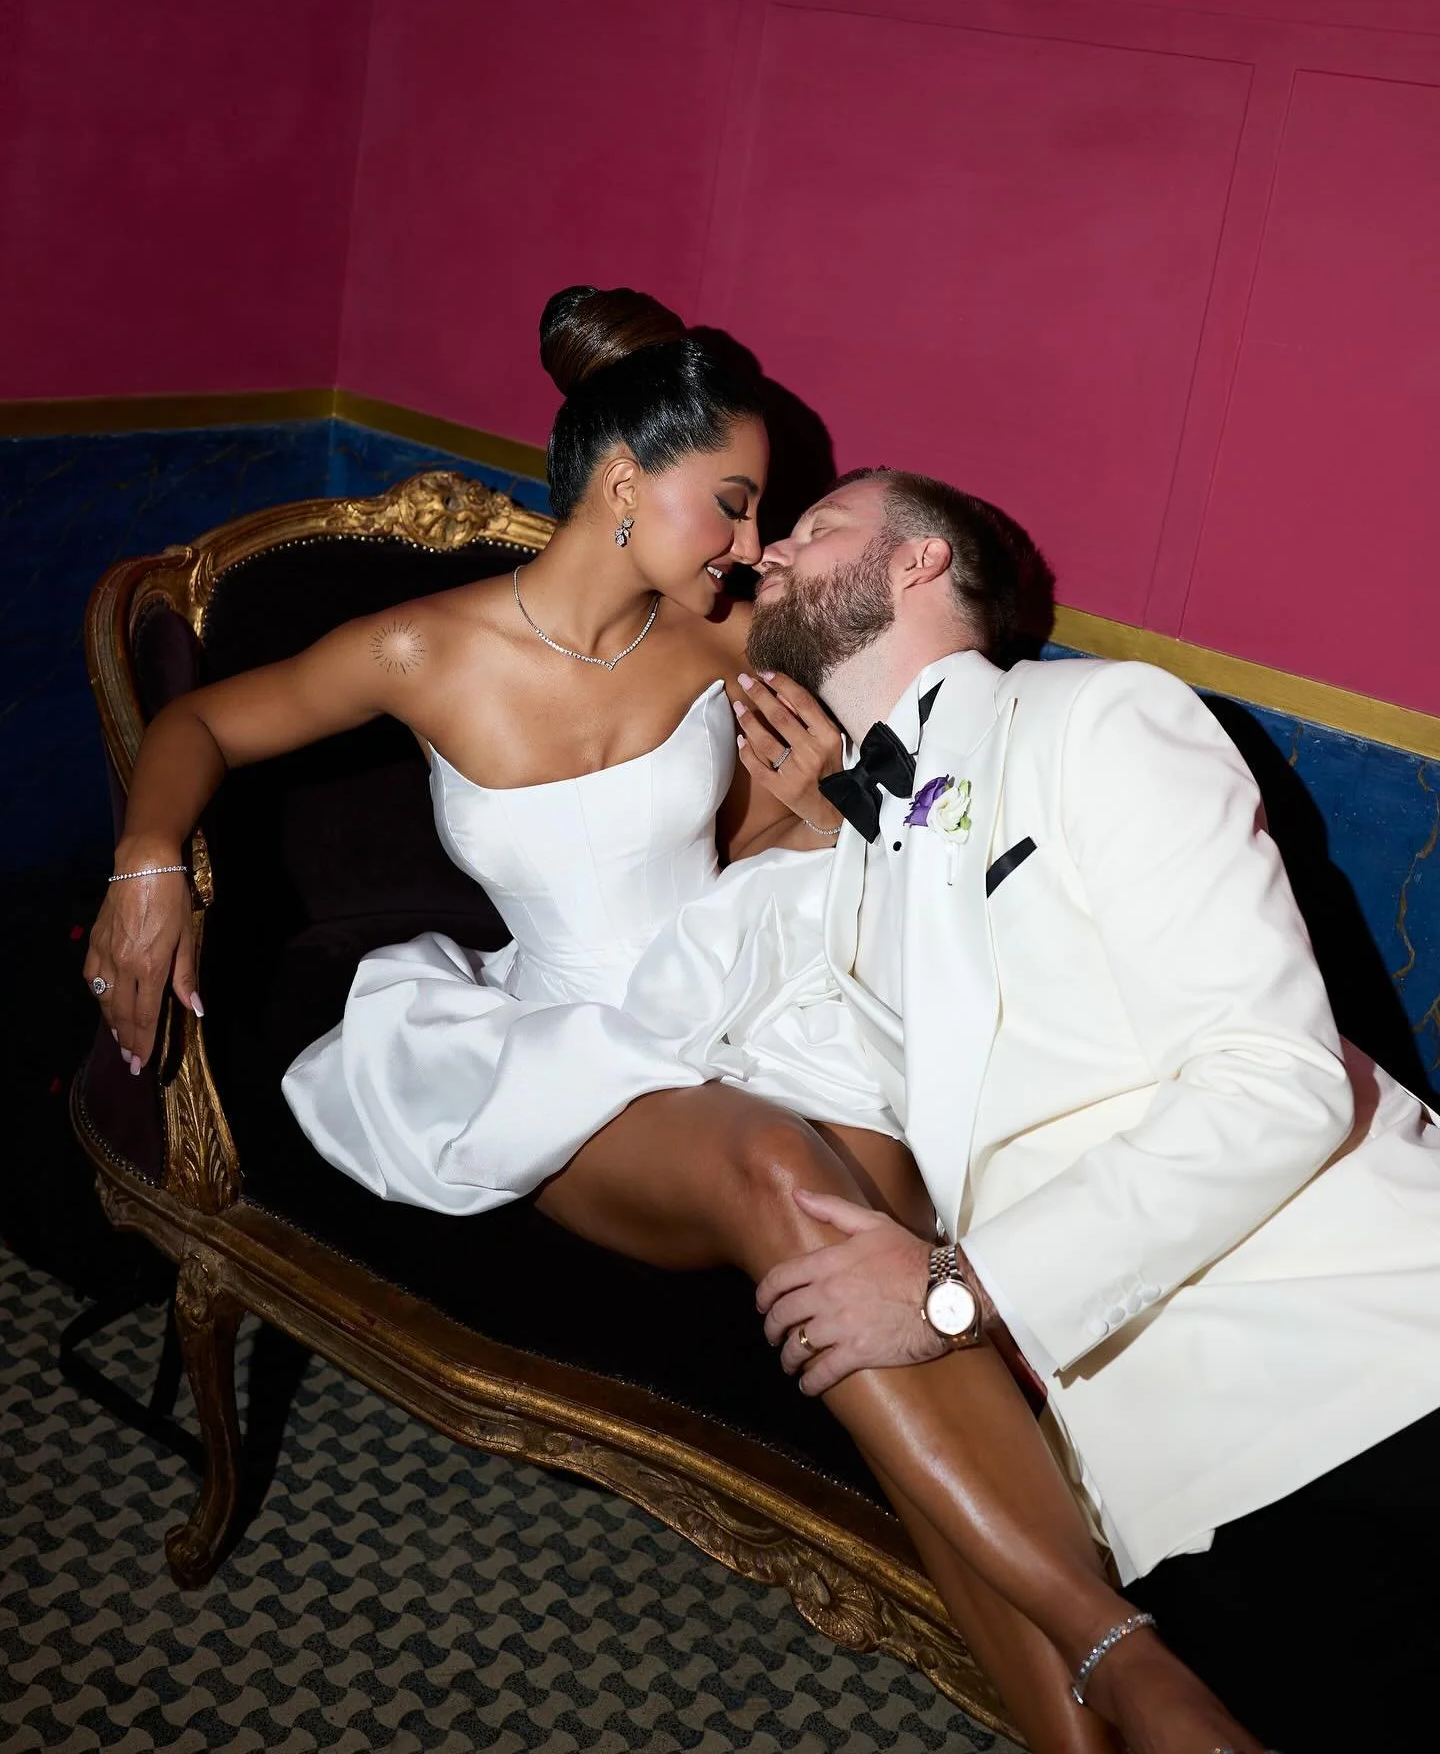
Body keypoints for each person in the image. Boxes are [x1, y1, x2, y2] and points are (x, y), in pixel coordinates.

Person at [84, 288, 1264, 1754]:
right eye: (735, 499)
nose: (756, 542)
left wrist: (814, 801)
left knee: (893, 1263)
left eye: (765, 510)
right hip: (568, 1041)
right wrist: (148, 867)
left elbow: (897, 735)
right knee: (779, 1175)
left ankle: (1083, 1726)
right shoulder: (421, 653)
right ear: (628, 482)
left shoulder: (723, 634)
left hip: (751, 980)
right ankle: (1131, 1662)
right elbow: (201, 723)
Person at [745, 466, 1440, 1753]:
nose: (772, 550)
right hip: (1166, 1476)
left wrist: (955, 1291)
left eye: (815, 526)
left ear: (917, 564)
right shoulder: (852, 866)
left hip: (1370, 1358)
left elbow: (1274, 1079)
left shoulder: (1098, 718)